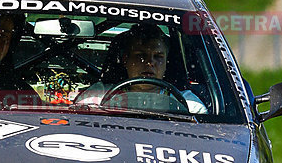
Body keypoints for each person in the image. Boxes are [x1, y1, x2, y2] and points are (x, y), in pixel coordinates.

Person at [77, 22, 207, 113]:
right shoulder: (96, 98)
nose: (150, 63)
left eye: (158, 56)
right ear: (125, 59)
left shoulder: (189, 105)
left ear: (167, 61)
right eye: (140, 55)